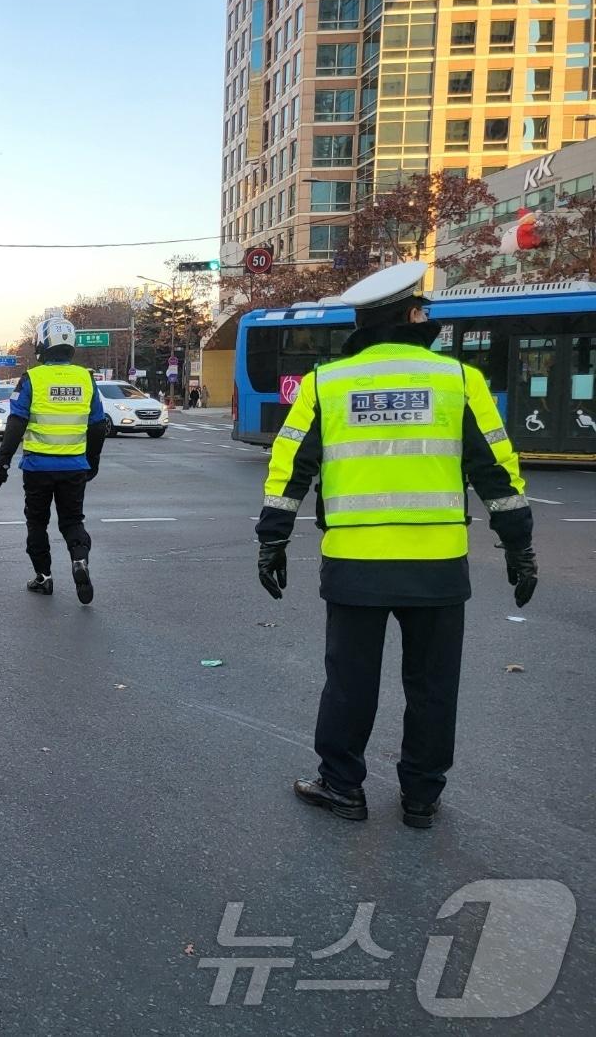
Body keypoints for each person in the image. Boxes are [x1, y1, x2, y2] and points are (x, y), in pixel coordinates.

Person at [256, 261, 536, 830]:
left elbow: (291, 468)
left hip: (356, 565)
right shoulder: (459, 380)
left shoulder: (326, 383)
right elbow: (497, 471)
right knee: (433, 685)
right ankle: (420, 798)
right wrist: (519, 547)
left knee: (350, 682)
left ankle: (341, 787)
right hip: (436, 566)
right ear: (412, 316)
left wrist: (272, 540)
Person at [0, 310, 107, 604]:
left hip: (37, 467)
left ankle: (43, 577)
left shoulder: (32, 378)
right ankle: (79, 559)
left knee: (37, 523)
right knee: (72, 521)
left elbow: (16, 422)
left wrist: (2, 462)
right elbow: (97, 425)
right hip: (74, 466)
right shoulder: (86, 378)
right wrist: (92, 461)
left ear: (43, 343)